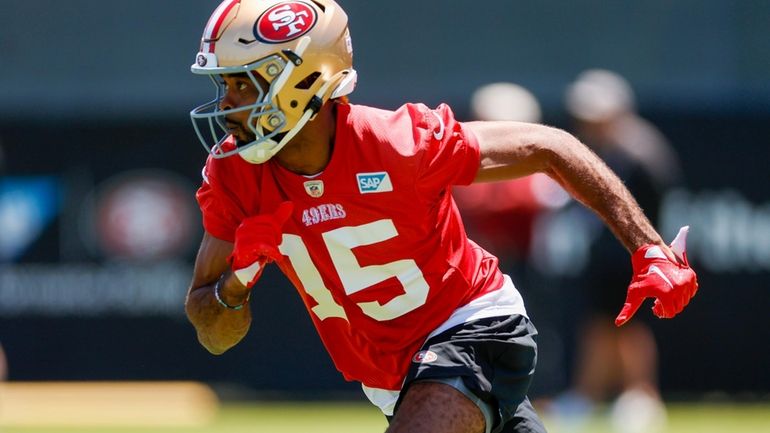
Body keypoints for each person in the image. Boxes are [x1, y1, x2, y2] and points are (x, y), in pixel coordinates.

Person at [183, 2, 698, 433]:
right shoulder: (234, 177)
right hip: (393, 377)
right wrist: (237, 282)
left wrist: (646, 245)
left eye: (242, 85)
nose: (225, 106)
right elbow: (215, 334)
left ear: (303, 81)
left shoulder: (398, 143)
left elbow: (550, 146)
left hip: (473, 327)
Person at [550, 69, 684, 433]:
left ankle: (640, 396)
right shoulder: (601, 149)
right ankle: (591, 396)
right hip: (604, 256)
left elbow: (650, 215)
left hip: (632, 257)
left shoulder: (641, 153)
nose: (589, 124)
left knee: (629, 328)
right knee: (599, 326)